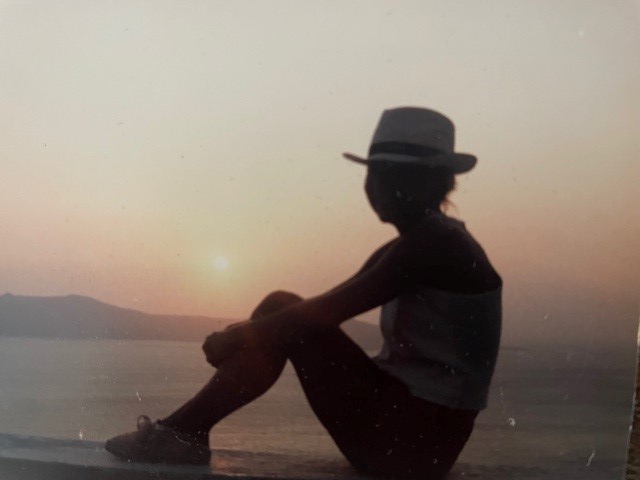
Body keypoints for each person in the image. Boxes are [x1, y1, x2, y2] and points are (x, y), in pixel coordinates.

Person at [105, 107, 502, 480]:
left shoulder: (435, 245)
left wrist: (237, 337)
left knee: (283, 310)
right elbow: (319, 307)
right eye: (375, 173)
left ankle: (182, 434)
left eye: (396, 175)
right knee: (282, 312)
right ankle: (184, 431)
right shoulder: (417, 244)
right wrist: (249, 332)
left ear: (435, 182)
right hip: (411, 436)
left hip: (410, 446)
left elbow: (323, 313)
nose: (379, 186)